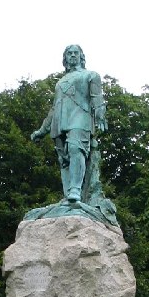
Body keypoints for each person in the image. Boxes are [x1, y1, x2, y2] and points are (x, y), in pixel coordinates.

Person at [31, 45, 107, 202]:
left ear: (81, 56)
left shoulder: (91, 75)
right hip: (60, 122)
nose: (72, 55)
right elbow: (54, 108)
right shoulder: (60, 82)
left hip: (81, 118)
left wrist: (100, 117)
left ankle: (75, 191)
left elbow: (97, 98)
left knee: (75, 148)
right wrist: (42, 130)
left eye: (75, 53)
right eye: (69, 53)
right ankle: (69, 195)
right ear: (65, 58)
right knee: (64, 160)